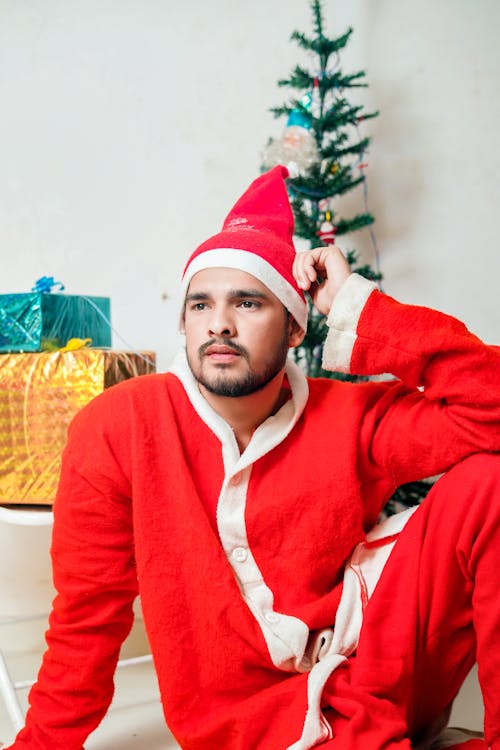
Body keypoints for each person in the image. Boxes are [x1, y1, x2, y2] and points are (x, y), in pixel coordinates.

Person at [6, 165, 499, 750]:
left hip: (377, 671)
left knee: (489, 482)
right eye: (199, 305)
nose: (218, 324)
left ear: (295, 327)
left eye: (247, 303)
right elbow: (87, 618)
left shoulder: (351, 415)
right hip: (252, 726)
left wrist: (357, 307)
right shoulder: (120, 426)